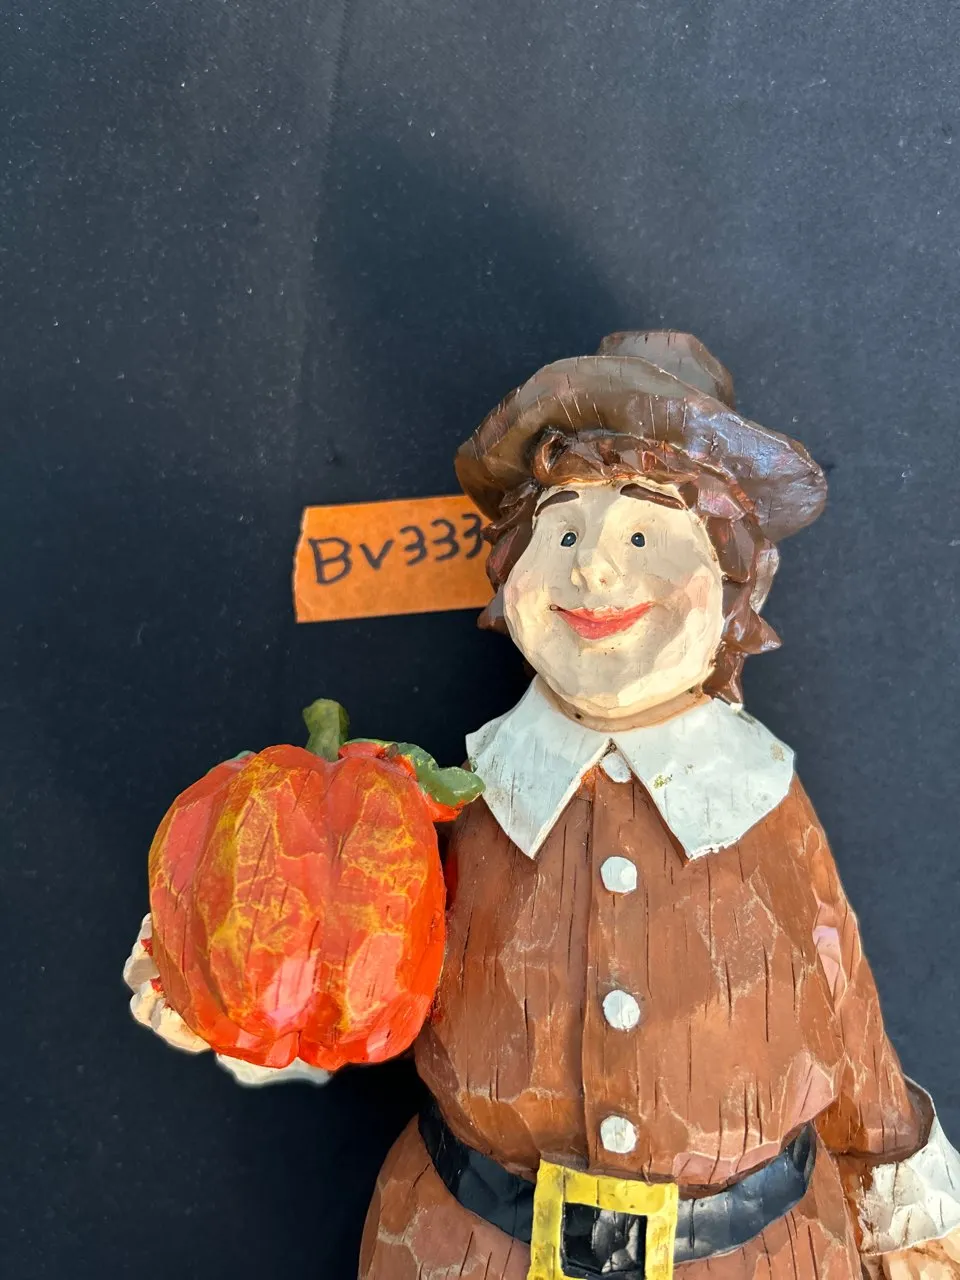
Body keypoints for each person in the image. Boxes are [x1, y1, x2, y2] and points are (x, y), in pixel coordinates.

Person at [127, 332, 960, 1280]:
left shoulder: (761, 801)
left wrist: (905, 1200)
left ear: (731, 576)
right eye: (563, 534)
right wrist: (231, 980)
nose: (595, 570)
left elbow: (842, 1007)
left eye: (641, 535)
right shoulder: (467, 799)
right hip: (468, 1243)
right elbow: (358, 960)